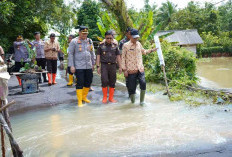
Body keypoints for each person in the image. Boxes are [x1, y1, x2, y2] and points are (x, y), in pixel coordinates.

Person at [121, 29, 158, 106]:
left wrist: (151, 50)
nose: (136, 39)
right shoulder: (125, 45)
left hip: (140, 68)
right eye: (134, 38)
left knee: (143, 83)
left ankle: (142, 102)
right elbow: (123, 58)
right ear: (130, 36)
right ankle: (133, 102)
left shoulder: (139, 44)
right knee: (132, 87)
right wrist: (124, 70)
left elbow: (144, 52)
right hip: (131, 70)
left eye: (137, 37)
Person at [68, 26, 95, 107]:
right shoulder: (74, 41)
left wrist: (93, 64)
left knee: (88, 82)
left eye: (86, 33)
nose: (84, 35)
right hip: (79, 66)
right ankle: (79, 101)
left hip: (88, 65)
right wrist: (71, 66)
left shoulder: (89, 41)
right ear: (79, 33)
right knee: (80, 83)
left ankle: (84, 97)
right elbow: (71, 54)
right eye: (83, 33)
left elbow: (92, 53)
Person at [96, 30, 122, 103]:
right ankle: (104, 97)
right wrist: (98, 66)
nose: (109, 40)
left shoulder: (115, 46)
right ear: (105, 37)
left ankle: (111, 98)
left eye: (110, 38)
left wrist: (120, 67)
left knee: (112, 81)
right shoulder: (101, 46)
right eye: (107, 38)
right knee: (104, 81)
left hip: (113, 66)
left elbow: (118, 57)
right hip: (104, 65)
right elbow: (98, 56)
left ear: (113, 38)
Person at [119, 27, 132, 97]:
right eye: (129, 34)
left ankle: (133, 92)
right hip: (126, 64)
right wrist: (122, 67)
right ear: (126, 34)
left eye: (131, 34)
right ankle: (130, 94)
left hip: (134, 64)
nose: (130, 35)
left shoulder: (135, 41)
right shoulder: (122, 42)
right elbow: (120, 55)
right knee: (128, 80)